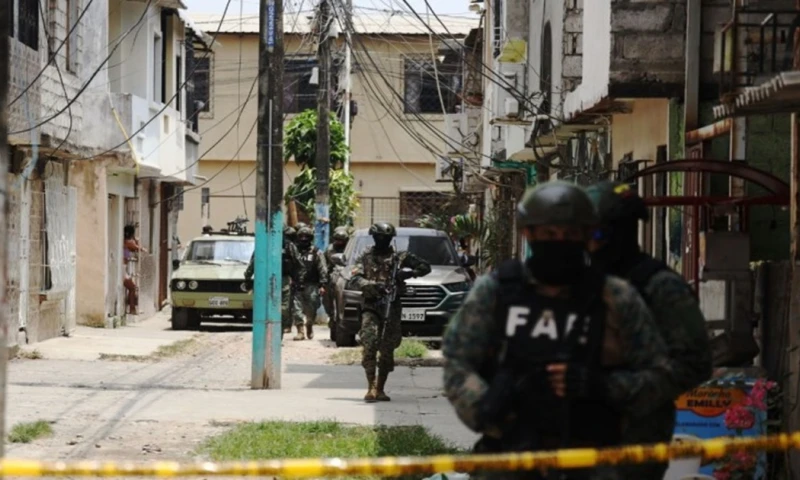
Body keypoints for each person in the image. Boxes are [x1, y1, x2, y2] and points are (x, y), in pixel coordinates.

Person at [442, 181, 677, 480]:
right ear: (529, 233)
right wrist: (489, 407)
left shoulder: (615, 296)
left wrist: (602, 386)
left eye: (571, 234)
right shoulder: (497, 291)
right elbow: (457, 362)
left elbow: (660, 375)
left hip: (594, 459)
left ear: (587, 236)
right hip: (509, 457)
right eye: (550, 234)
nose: (560, 241)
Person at [586, 180, 713, 480]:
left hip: (632, 440)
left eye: (594, 234)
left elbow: (694, 364)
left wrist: (611, 387)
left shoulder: (659, 286)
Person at [348, 222, 431, 402]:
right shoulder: (365, 255)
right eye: (378, 237)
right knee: (369, 344)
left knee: (387, 349)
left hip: (391, 307)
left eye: (385, 238)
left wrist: (408, 273)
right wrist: (370, 285)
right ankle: (370, 386)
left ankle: (380, 388)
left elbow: (425, 266)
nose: (382, 241)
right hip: (371, 305)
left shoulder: (399, 257)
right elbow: (354, 278)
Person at [244, 226, 305, 339]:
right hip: (270, 280)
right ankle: (271, 334)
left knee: (279, 309)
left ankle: (275, 335)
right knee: (274, 309)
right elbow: (254, 263)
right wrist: (248, 279)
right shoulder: (266, 245)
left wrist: (299, 281)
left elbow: (299, 265)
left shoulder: (287, 246)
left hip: (279, 280)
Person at [294, 226, 328, 341]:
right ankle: (300, 331)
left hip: (312, 284)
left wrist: (323, 284)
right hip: (296, 283)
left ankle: (309, 324)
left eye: (306, 237)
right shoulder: (294, 250)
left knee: (312, 307)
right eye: (301, 236)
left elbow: (322, 268)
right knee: (296, 308)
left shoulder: (316, 252)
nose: (303, 239)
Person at [323, 227, 350, 321]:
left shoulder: (350, 248)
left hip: (348, 275)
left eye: (342, 241)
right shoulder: (330, 249)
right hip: (332, 276)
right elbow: (324, 264)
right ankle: (331, 315)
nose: (339, 243)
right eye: (337, 240)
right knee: (327, 300)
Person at [123, 225, 147, 315]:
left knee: (132, 287)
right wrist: (135, 239)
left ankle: (132, 308)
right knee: (132, 287)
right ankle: (132, 308)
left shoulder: (126, 242)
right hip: (122, 269)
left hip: (124, 268)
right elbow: (140, 248)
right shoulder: (128, 242)